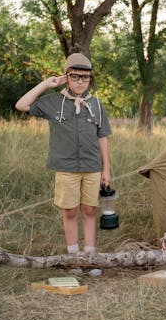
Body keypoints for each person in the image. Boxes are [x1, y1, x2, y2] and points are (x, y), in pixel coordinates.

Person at [15, 52, 112, 256]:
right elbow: (21, 105)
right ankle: (73, 256)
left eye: (85, 77)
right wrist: (45, 84)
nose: (80, 81)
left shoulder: (97, 105)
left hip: (92, 167)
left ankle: (90, 255)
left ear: (90, 79)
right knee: (70, 211)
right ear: (66, 77)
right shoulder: (53, 102)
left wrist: (107, 170)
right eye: (74, 76)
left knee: (90, 210)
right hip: (66, 167)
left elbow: (102, 138)